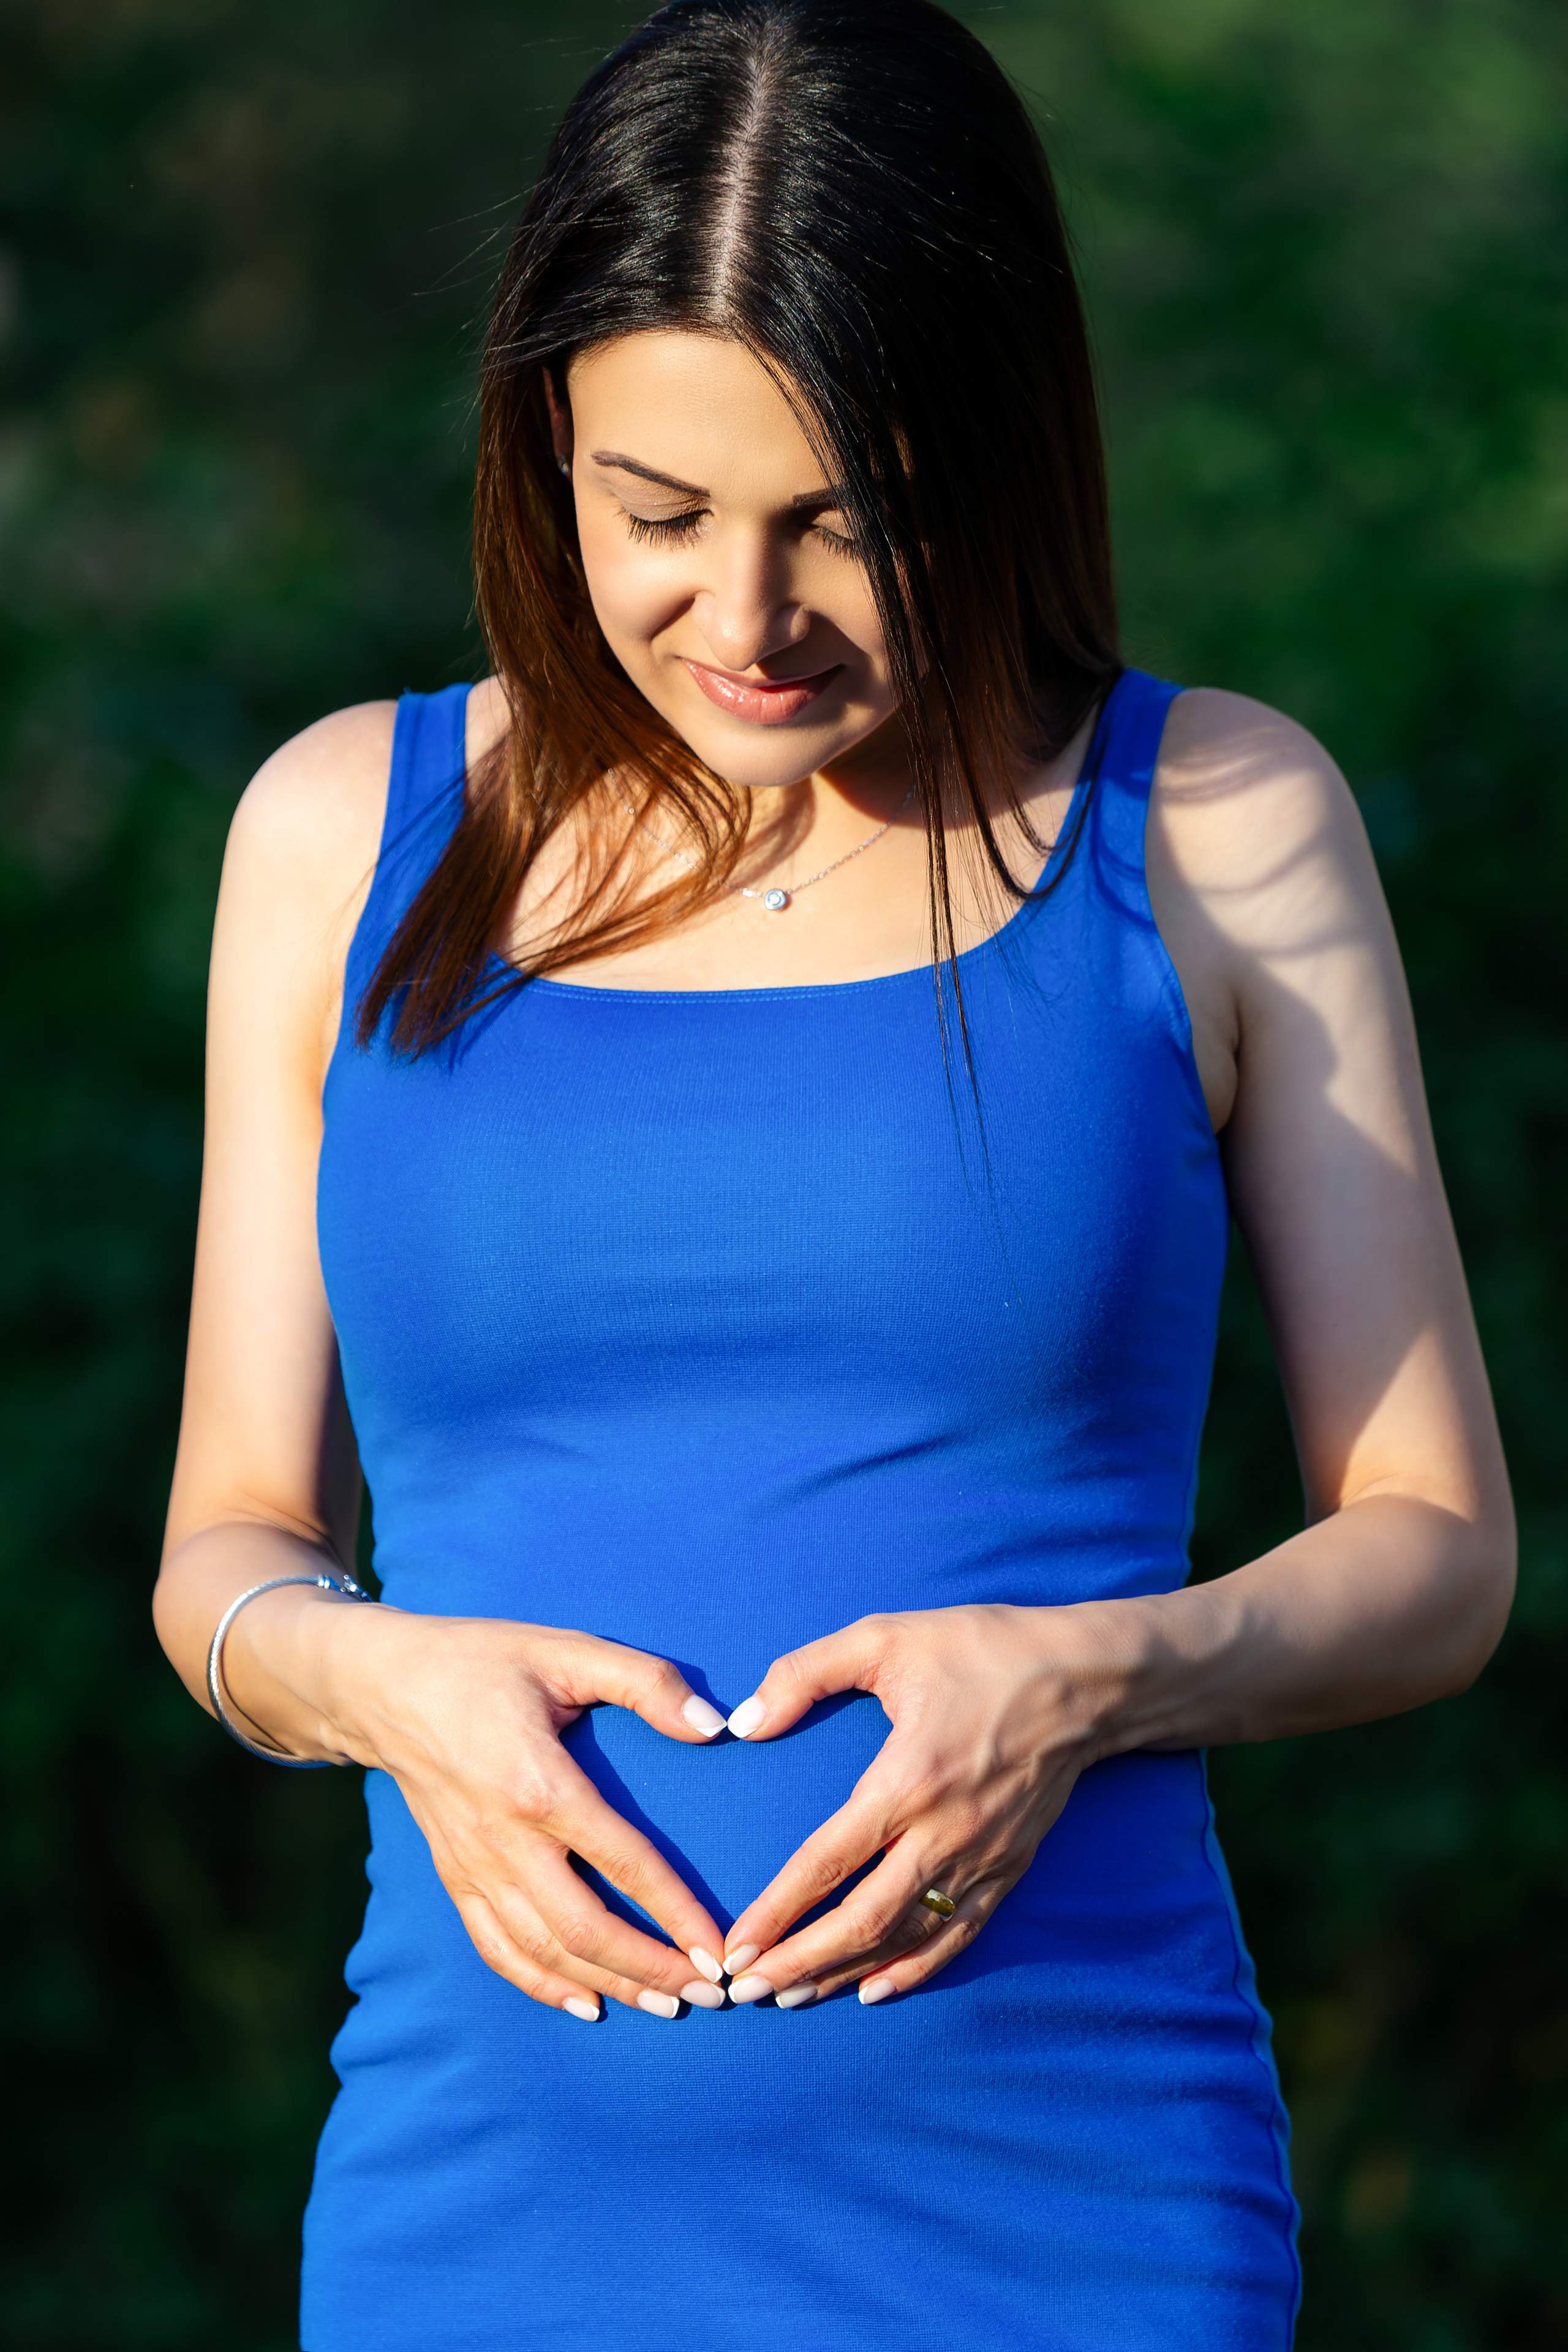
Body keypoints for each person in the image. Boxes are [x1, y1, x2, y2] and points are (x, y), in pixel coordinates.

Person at [153, 2, 1515, 2346]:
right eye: (653, 516)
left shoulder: (1209, 825)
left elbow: (1438, 1552)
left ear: (1000, 453)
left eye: (847, 520)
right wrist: (381, 1689)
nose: (746, 620)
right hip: (481, 2218)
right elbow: (224, 1555)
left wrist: (1098, 1672)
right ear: (538, 449)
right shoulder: (337, 839)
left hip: (1068, 2205)